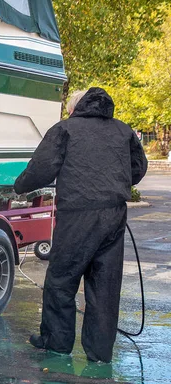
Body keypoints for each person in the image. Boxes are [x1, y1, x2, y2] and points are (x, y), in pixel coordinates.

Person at [14, 87, 148, 363]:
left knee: (61, 280)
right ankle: (99, 353)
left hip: (77, 214)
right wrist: (115, 186)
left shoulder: (65, 130)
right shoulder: (123, 131)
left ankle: (57, 343)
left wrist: (20, 186)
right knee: (104, 285)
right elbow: (138, 167)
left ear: (75, 108)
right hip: (114, 216)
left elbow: (42, 168)